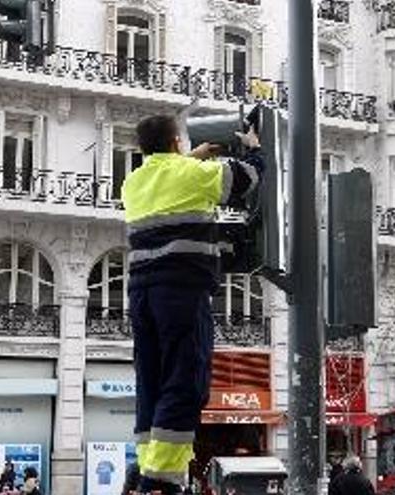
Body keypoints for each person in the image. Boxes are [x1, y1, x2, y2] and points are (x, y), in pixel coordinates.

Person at [122, 114, 264, 495]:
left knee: (150, 379)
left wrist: (191, 158)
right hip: (181, 292)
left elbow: (170, 176)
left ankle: (146, 466)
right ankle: (161, 481)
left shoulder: (132, 182)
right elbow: (247, 178)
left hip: (141, 294)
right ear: (175, 143)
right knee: (185, 381)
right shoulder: (192, 174)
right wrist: (254, 148)